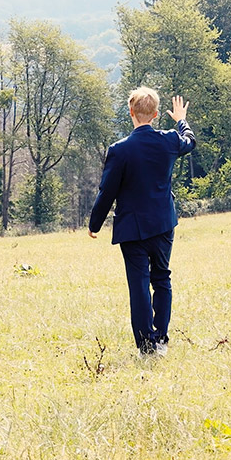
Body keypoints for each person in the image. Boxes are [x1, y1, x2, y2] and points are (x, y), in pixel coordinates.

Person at [88, 87, 196, 356]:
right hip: (163, 223)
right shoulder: (170, 140)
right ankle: (161, 339)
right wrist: (181, 119)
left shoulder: (119, 150)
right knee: (162, 278)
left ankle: (146, 345)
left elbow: (107, 191)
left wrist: (94, 224)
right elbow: (189, 140)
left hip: (132, 228)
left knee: (138, 284)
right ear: (157, 114)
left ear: (131, 112)